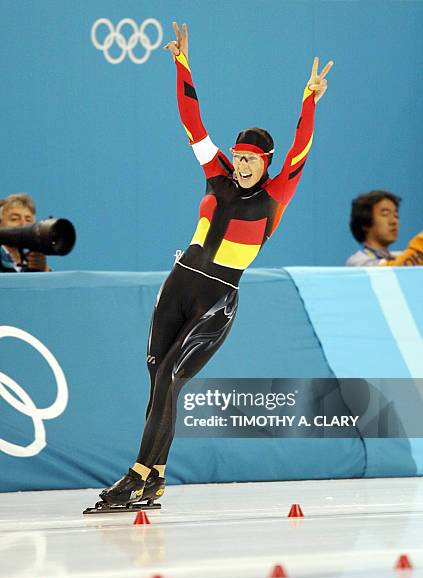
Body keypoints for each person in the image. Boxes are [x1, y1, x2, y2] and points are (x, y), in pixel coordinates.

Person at [98, 22, 333, 509]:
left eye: (253, 159)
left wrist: (309, 100)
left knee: (170, 380)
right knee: (156, 376)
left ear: (266, 162)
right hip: (179, 282)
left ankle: (136, 475)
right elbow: (192, 121)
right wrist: (182, 65)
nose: (244, 165)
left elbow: (301, 148)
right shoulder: (216, 173)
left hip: (216, 300)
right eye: (240, 156)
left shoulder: (276, 193)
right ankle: (154, 476)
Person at [346, 190, 423, 266]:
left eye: (396, 216)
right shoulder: (358, 262)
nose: (394, 221)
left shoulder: (397, 256)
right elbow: (392, 271)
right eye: (385, 214)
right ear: (365, 223)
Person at [0, 193, 50, 272]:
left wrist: (43, 270)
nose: (23, 224)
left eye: (28, 220)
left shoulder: (31, 258)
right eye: (14, 219)